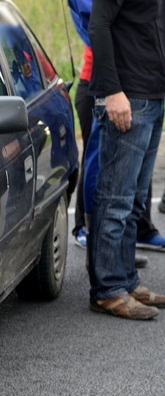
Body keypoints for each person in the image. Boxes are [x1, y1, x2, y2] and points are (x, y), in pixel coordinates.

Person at [86, 0, 165, 320]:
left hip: (152, 97)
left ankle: (126, 281)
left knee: (133, 201)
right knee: (115, 200)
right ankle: (107, 289)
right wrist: (113, 91)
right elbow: (98, 26)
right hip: (127, 97)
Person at [68, 0, 165, 256]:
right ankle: (90, 234)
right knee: (109, 188)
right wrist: (113, 89)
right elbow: (95, 24)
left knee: (132, 188)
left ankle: (127, 264)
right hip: (111, 84)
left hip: (145, 87)